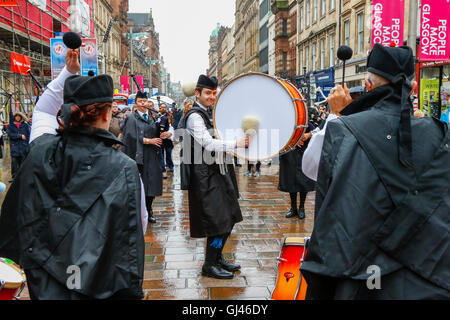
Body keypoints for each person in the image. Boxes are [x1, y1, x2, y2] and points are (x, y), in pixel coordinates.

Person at [300, 44, 450, 299]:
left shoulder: (341, 130)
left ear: (368, 86)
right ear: (413, 88)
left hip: (361, 277)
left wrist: (337, 117)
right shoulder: (440, 132)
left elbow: (311, 170)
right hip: (427, 278)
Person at [0, 49, 146, 300]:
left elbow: (44, 110)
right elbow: (137, 226)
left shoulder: (39, 148)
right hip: (97, 281)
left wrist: (68, 72)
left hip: (44, 277)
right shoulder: (125, 168)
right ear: (107, 112)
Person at [177, 75, 249, 279]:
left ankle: (217, 256)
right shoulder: (194, 116)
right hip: (204, 176)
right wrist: (236, 144)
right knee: (218, 222)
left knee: (229, 218)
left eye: (214, 93)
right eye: (208, 93)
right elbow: (207, 143)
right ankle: (209, 264)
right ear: (197, 93)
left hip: (217, 172)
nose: (212, 96)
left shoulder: (210, 113)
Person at [121, 91, 171, 224]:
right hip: (139, 157)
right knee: (141, 185)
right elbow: (130, 137)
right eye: (140, 101)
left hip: (153, 156)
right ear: (136, 104)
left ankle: (149, 210)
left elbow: (165, 130)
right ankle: (140, 211)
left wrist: (167, 134)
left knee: (152, 185)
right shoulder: (131, 118)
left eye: (145, 101)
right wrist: (149, 141)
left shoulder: (154, 117)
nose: (143, 104)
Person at [278, 106, 319, 219]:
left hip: (304, 150)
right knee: (291, 179)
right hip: (289, 149)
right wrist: (293, 140)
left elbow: (318, 128)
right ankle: (293, 208)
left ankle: (301, 207)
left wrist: (307, 135)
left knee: (303, 180)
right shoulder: (284, 115)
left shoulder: (307, 114)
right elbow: (279, 131)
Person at [7, 111, 30, 180]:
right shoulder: (11, 125)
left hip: (23, 146)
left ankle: (23, 177)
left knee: (23, 162)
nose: (17, 117)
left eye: (19, 116)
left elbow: (28, 135)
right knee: (14, 163)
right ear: (14, 117)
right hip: (15, 147)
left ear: (21, 117)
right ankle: (14, 177)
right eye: (16, 116)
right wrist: (19, 136)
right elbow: (10, 135)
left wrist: (26, 144)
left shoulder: (25, 125)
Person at [158, 103, 174, 176]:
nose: (163, 109)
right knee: (161, 155)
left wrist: (169, 133)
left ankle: (170, 166)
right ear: (159, 108)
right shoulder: (157, 116)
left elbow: (172, 125)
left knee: (168, 153)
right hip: (160, 138)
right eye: (162, 107)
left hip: (167, 139)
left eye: (164, 107)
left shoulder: (169, 115)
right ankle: (163, 168)